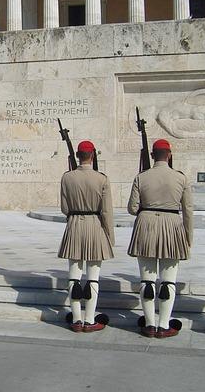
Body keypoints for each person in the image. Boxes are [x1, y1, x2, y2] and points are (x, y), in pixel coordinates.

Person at [127, 139, 193, 338]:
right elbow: (188, 211)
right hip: (172, 226)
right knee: (168, 282)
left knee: (147, 280)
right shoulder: (181, 178)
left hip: (146, 225)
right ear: (169, 155)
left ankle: (149, 324)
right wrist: (188, 238)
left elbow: (132, 208)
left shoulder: (141, 177)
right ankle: (163, 325)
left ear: (152, 155)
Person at [58, 140, 114, 332]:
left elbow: (65, 208)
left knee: (74, 277)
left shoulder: (67, 178)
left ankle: (76, 319)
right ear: (93, 156)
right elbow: (106, 212)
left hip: (74, 225)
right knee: (93, 278)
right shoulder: (102, 178)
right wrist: (109, 237)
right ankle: (89, 320)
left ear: (77, 156)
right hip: (95, 226)